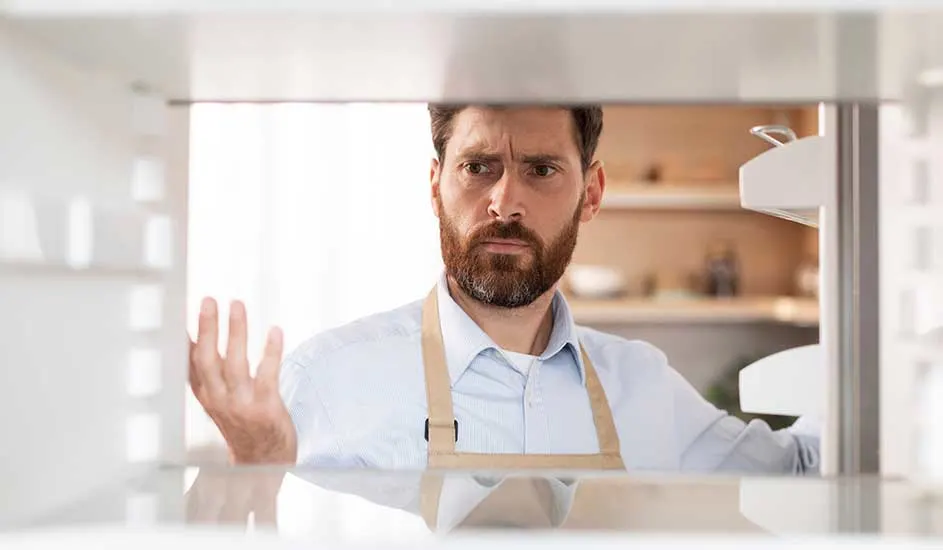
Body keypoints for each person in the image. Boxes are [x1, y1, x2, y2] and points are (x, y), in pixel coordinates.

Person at [188, 104, 820, 474]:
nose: (504, 201)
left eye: (541, 170)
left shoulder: (644, 387)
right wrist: (259, 473)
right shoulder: (326, 381)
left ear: (590, 194)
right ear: (435, 184)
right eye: (477, 167)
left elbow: (801, 471)